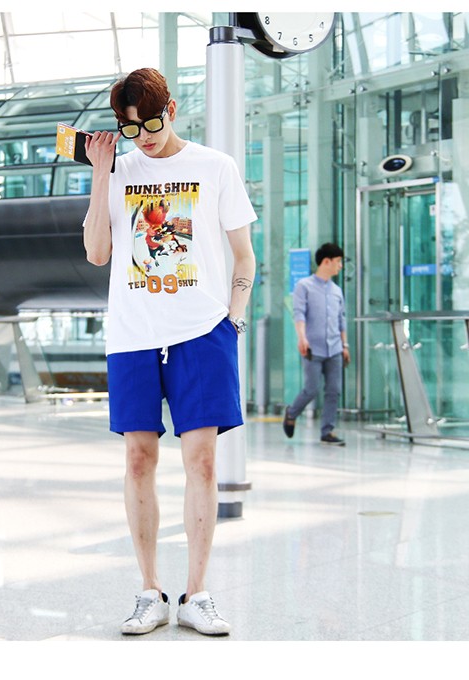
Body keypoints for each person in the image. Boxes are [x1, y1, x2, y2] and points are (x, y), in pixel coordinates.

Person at [83, 67, 257, 636]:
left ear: (172, 110)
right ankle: (149, 591)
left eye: (152, 124)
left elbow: (244, 254)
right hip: (133, 334)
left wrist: (233, 319)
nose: (145, 139)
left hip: (202, 332)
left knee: (201, 460)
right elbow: (98, 253)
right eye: (131, 129)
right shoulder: (120, 170)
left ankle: (197, 594)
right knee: (138, 459)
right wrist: (102, 174)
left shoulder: (215, 166)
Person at [283, 242, 350, 446]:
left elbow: (341, 320)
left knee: (334, 390)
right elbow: (299, 314)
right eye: (338, 261)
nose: (340, 266)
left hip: (335, 348)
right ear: (326, 261)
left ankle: (327, 431)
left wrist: (345, 346)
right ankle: (291, 413)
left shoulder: (337, 290)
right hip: (312, 347)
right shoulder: (304, 286)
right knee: (311, 389)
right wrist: (302, 337)